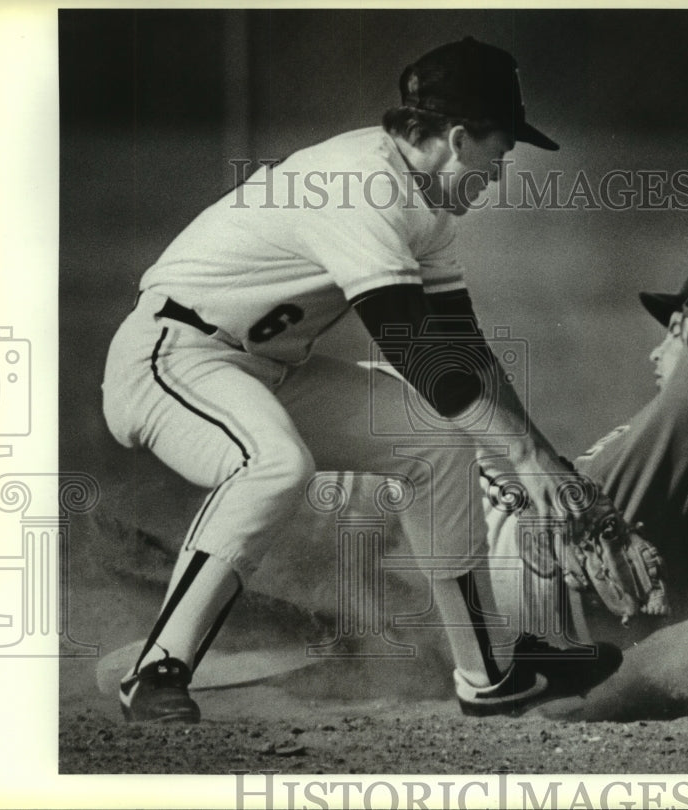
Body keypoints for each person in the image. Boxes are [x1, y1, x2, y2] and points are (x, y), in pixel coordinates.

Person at [101, 37, 620, 723]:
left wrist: (544, 458)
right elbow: (411, 346)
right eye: (502, 150)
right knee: (276, 464)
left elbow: (461, 350)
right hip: (171, 360)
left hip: (266, 371)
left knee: (437, 443)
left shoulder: (427, 206)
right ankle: (155, 671)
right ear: (459, 138)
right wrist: (522, 458)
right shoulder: (357, 185)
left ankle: (489, 675)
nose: (501, 170)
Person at [485, 187, 688, 653]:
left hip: (528, 567)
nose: (658, 349)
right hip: (579, 653)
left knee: (421, 392)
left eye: (678, 332)